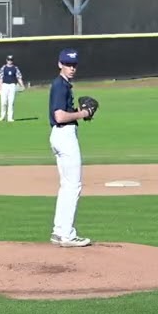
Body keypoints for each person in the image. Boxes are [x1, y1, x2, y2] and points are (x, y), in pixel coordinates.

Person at [48, 48, 94, 248]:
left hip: (60, 136)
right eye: (68, 64)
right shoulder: (60, 86)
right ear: (60, 64)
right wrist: (82, 113)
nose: (72, 68)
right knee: (73, 185)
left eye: (74, 64)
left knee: (66, 185)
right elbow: (59, 116)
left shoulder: (63, 84)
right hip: (64, 135)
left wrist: (76, 111)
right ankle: (67, 234)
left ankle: (60, 231)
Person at [0, 54, 24, 122]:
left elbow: (19, 77)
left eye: (11, 60)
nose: (10, 61)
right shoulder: (3, 68)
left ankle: (10, 117)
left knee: (11, 102)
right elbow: (0, 79)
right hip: (4, 85)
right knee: (3, 102)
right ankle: (2, 116)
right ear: (6, 60)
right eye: (9, 60)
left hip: (12, 86)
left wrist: (22, 85)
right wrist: (0, 89)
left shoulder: (15, 68)